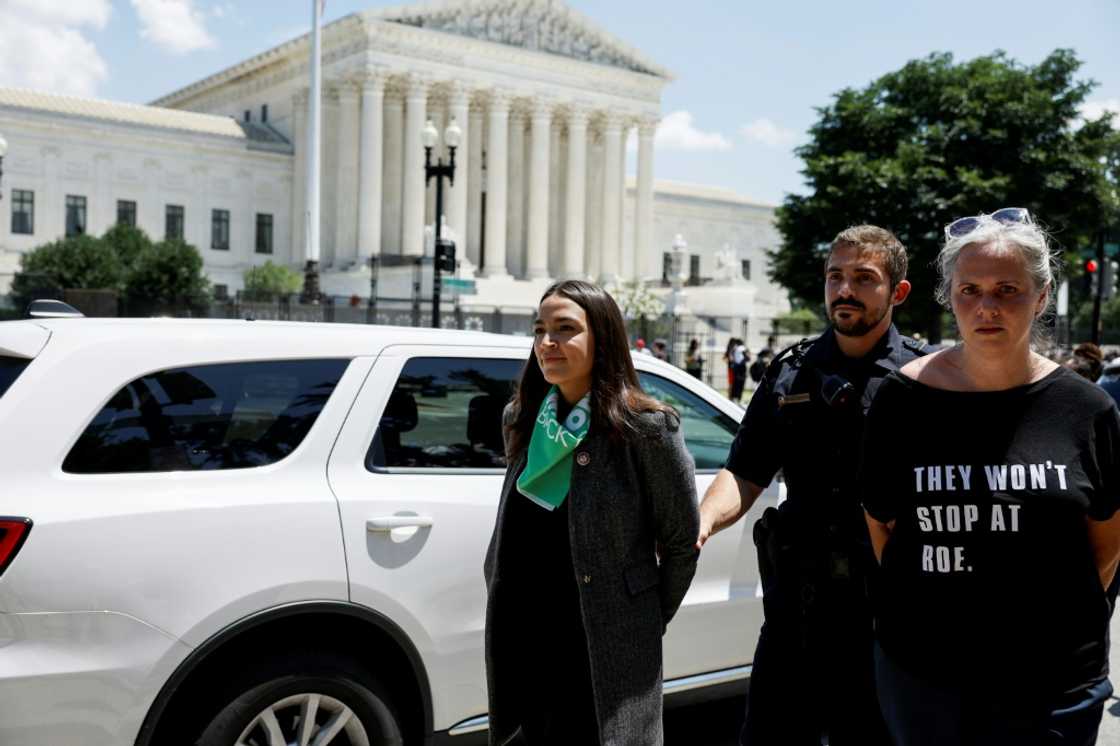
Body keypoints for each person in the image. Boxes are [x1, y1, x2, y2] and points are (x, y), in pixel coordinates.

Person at [862, 208, 1120, 746]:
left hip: (1054, 686)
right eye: (970, 290)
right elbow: (882, 527)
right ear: (950, 296)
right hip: (926, 683)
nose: (987, 307)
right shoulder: (901, 400)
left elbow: (1106, 544)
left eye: (1008, 290)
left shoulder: (1087, 410)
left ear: (1041, 297)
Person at [697, 225, 923, 746]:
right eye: (835, 277)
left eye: (863, 278)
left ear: (898, 291)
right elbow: (745, 470)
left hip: (888, 613)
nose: (845, 290)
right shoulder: (790, 372)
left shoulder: (926, 377)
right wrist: (702, 521)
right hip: (797, 606)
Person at [484, 279, 700, 746]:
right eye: (539, 330)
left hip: (605, 653)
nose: (547, 342)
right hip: (528, 646)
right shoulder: (520, 419)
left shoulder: (647, 429)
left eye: (565, 329)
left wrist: (640, 617)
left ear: (602, 338)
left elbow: (682, 543)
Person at [729, 338, 749, 403]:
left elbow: (731, 357)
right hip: (741, 367)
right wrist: (742, 361)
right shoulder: (742, 348)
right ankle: (738, 398)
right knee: (740, 383)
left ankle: (733, 397)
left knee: (735, 382)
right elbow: (747, 357)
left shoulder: (735, 349)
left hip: (736, 367)